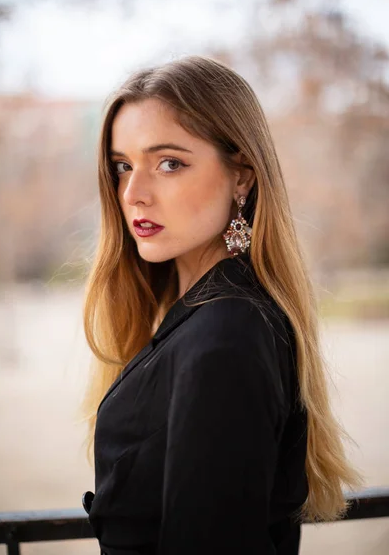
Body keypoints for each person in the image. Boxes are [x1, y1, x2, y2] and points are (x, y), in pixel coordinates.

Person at [80, 55, 362, 555]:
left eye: (169, 163)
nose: (133, 194)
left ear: (242, 177)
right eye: (122, 166)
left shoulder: (225, 337)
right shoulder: (206, 317)